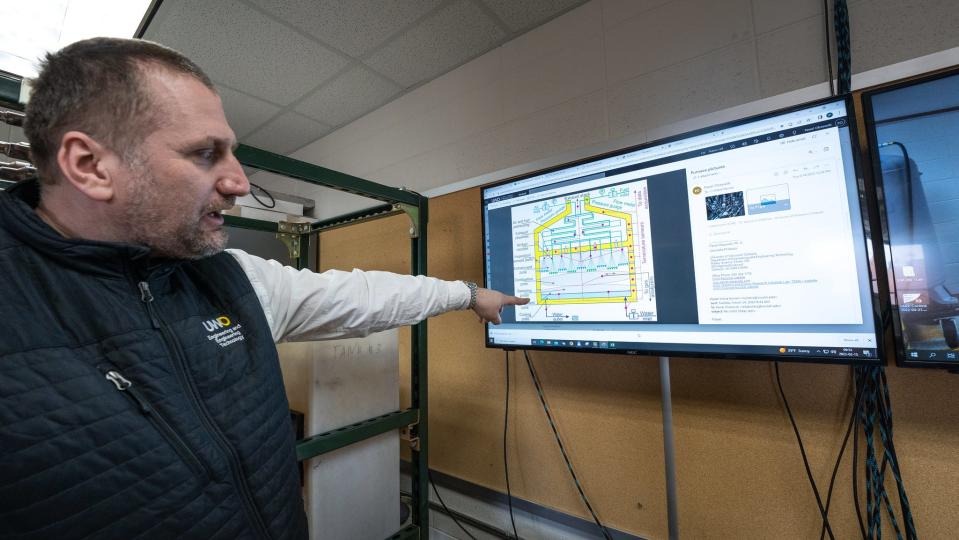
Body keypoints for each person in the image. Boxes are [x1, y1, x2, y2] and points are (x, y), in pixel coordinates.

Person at [0, 37, 527, 539]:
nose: (240, 182)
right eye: (206, 154)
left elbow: (360, 297)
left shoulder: (231, 277)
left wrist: (467, 293)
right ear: (91, 166)